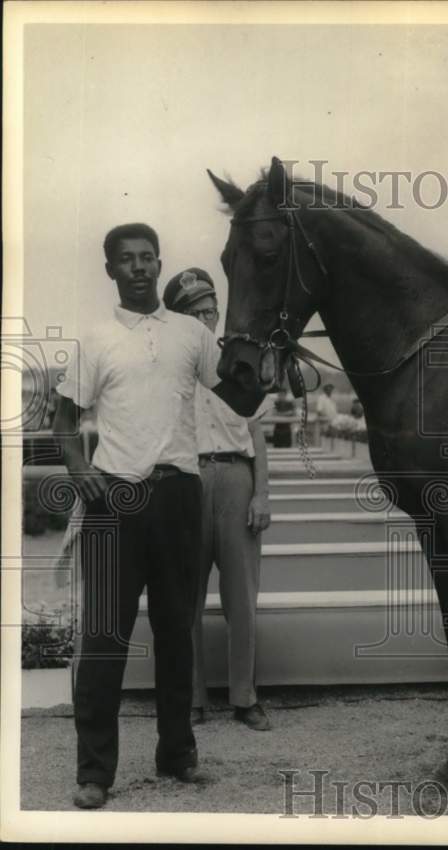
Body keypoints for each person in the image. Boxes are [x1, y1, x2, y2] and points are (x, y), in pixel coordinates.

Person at [53, 223, 218, 809]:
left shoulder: (193, 334)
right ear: (111, 270)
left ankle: (177, 755)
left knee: (177, 632)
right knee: (103, 637)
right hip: (115, 500)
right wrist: (78, 468)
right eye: (127, 260)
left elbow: (241, 392)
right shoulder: (95, 339)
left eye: (149, 257)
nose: (141, 268)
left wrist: (270, 351)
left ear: (158, 263)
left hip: (178, 496)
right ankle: (95, 773)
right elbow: (64, 419)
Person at [162, 268, 273, 733]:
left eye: (210, 310)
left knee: (241, 598)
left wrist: (261, 493)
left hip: (235, 476)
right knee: (185, 597)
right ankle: (191, 699)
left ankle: (244, 698)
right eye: (195, 312)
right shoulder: (167, 367)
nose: (206, 319)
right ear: (180, 319)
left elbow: (257, 436)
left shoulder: (239, 364)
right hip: (186, 480)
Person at [315, 383, 339, 451]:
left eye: (331, 389)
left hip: (333, 422)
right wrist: (324, 421)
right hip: (325, 422)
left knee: (333, 439)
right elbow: (319, 411)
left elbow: (335, 412)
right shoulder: (321, 398)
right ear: (325, 390)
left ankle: (332, 451)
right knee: (324, 438)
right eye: (328, 389)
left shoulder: (333, 398)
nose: (330, 390)